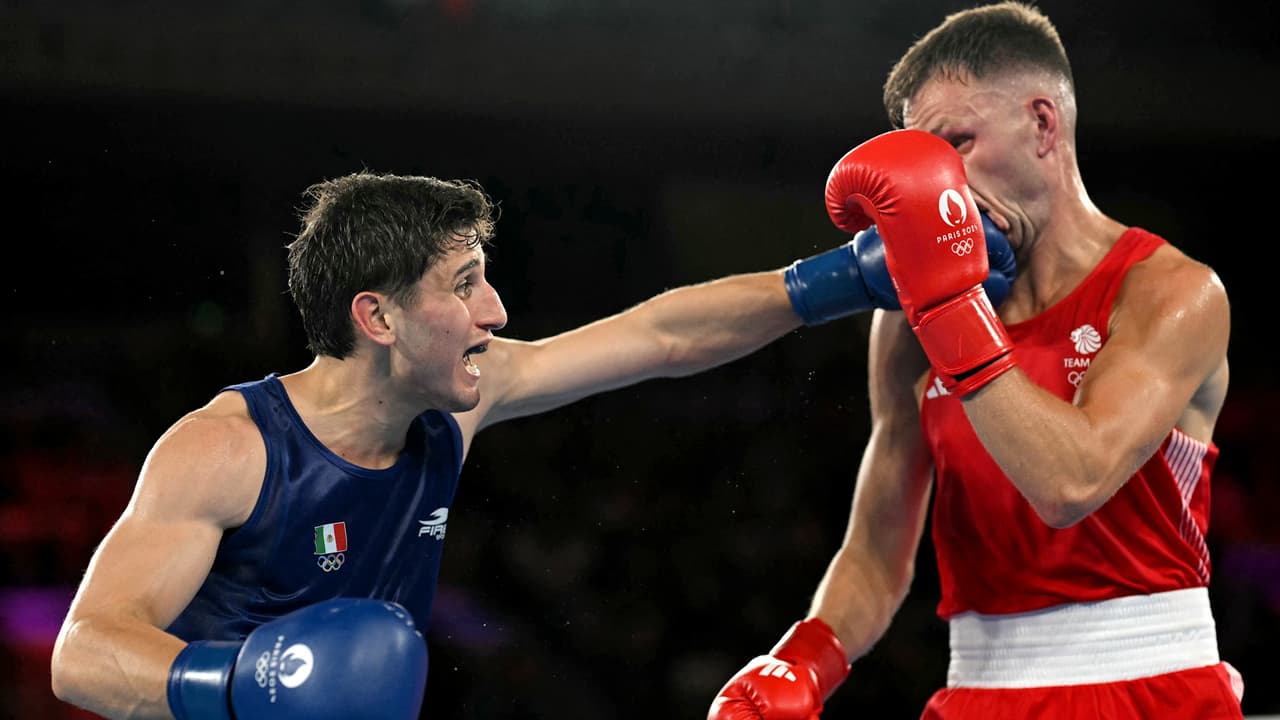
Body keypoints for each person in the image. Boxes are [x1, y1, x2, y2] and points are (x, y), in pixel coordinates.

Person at [49, 171, 1016, 719]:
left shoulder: (459, 405)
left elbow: (660, 336)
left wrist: (843, 279)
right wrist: (243, 685)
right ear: (377, 317)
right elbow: (83, 651)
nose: (497, 311)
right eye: (464, 284)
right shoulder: (228, 450)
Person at [708, 3, 1240, 719]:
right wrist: (805, 659)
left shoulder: (1171, 292)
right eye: (925, 163)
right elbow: (877, 549)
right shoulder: (906, 323)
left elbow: (1071, 482)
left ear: (1043, 124)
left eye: (957, 143)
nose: (942, 187)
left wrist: (948, 307)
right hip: (978, 688)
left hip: (1149, 684)